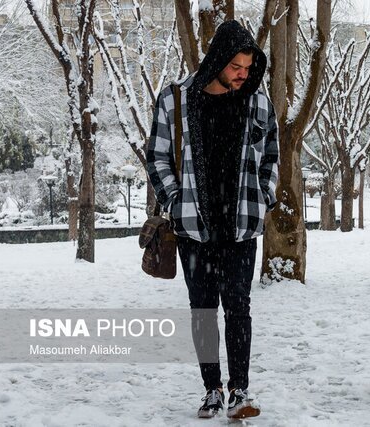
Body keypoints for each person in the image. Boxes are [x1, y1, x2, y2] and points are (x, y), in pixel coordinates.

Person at [146, 20, 279, 419]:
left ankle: (240, 390)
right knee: (202, 310)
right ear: (219, 60)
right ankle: (212, 390)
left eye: (249, 67)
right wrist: (174, 198)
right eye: (237, 66)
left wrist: (266, 196)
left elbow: (272, 154)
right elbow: (157, 157)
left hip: (241, 225)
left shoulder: (257, 102)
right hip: (194, 228)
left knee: (239, 308)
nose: (244, 74)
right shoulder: (176, 100)